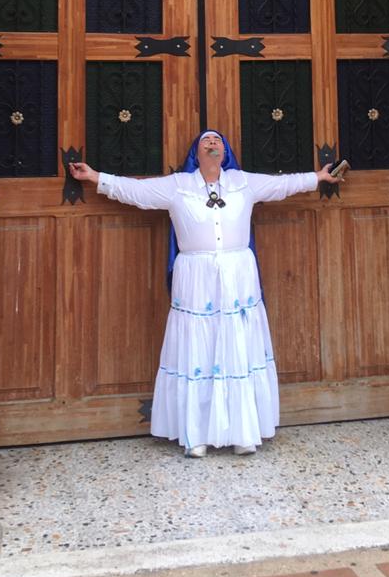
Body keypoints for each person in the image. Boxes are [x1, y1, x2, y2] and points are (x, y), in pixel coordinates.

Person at [69, 132, 335, 457]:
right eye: (206, 140)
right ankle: (195, 435)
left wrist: (317, 177)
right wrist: (96, 177)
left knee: (236, 343)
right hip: (195, 277)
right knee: (198, 347)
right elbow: (135, 191)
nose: (212, 143)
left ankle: (243, 431)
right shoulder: (178, 186)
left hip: (238, 275)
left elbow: (281, 185)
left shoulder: (243, 182)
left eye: (217, 141)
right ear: (196, 151)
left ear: (225, 151)